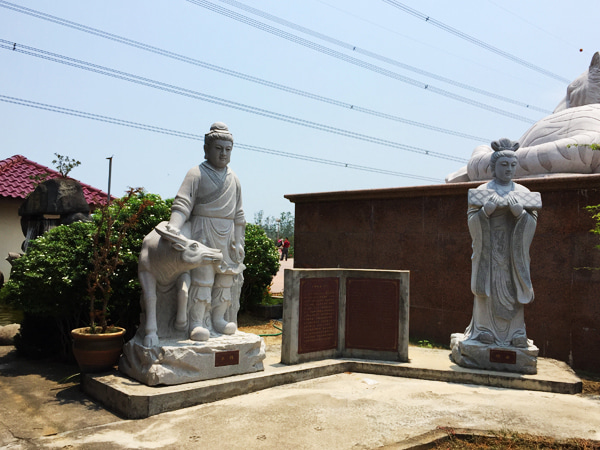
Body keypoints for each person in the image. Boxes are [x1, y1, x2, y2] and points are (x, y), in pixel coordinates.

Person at [167, 122, 245, 341]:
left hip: (227, 235)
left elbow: (239, 214)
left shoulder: (234, 178)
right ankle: (197, 322)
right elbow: (183, 204)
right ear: (206, 149)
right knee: (203, 278)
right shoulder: (196, 173)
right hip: (202, 231)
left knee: (225, 280)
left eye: (228, 149)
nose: (223, 153)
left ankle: (218, 318)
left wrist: (238, 242)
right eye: (219, 148)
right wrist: (174, 227)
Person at [462, 138, 538, 348]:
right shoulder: (482, 190)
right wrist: (485, 212)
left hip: (514, 252)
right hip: (489, 248)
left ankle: (516, 332)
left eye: (513, 165)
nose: (509, 169)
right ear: (493, 167)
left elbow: (531, 222)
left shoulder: (523, 193)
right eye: (504, 165)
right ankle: (483, 329)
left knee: (513, 288)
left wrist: (521, 214)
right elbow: (472, 220)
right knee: (487, 287)